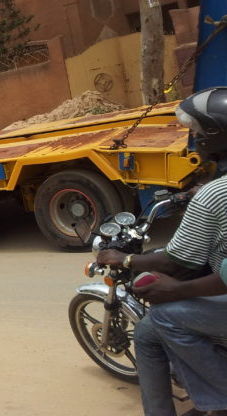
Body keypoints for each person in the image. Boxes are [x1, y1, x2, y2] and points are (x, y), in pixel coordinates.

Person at [98, 87, 227, 416]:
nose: (193, 136)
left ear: (215, 135)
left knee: (163, 317)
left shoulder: (214, 195)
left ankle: (219, 401)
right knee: (145, 332)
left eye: (197, 131)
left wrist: (125, 259)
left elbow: (178, 260)